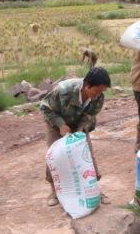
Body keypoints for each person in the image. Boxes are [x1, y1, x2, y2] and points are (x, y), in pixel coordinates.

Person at [40, 67, 111, 207]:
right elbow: (45, 108)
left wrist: (79, 131)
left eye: (102, 91)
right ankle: (54, 191)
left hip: (78, 123)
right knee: (55, 155)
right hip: (56, 122)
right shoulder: (63, 90)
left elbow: (89, 115)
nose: (98, 95)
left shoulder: (98, 97)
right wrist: (61, 125)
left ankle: (95, 190)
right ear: (86, 85)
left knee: (86, 154)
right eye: (96, 91)